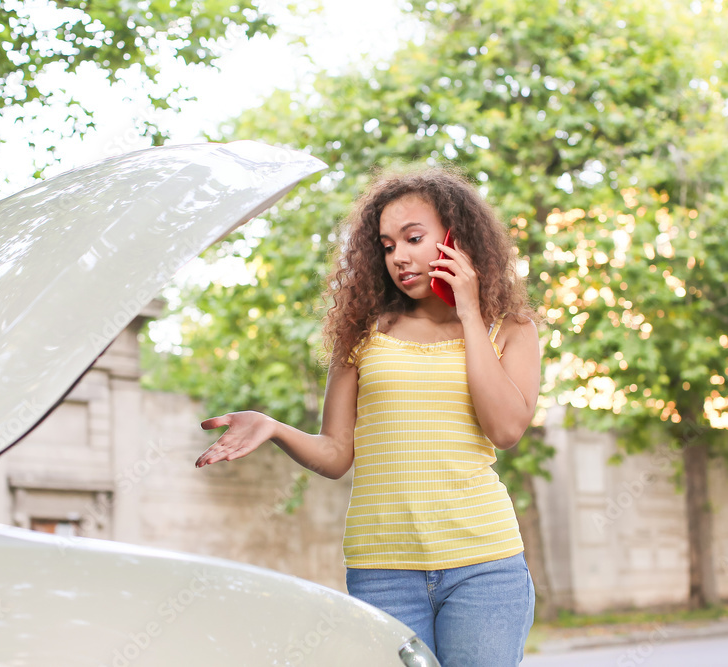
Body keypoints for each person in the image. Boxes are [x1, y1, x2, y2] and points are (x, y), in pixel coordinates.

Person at [196, 166, 541, 667]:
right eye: (386, 245)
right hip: (382, 571)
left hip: (484, 565)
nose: (399, 257)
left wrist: (469, 311)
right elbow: (336, 454)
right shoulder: (363, 333)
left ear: (456, 238)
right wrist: (273, 427)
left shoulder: (510, 328)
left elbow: (506, 429)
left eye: (414, 238)